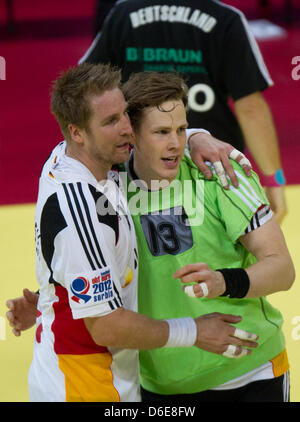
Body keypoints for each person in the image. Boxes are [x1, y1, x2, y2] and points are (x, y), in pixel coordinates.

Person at [7, 69, 294, 402]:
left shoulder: (218, 172)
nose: (175, 143)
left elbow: (283, 269)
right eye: (160, 132)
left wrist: (223, 281)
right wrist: (56, 304)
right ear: (134, 135)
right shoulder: (108, 189)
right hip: (160, 385)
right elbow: (95, 287)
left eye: (182, 129)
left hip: (248, 374)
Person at [80, 0, 287, 223]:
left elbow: (88, 91)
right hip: (210, 172)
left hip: (137, 174)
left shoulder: (123, 13)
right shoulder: (225, 18)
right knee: (223, 253)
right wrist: (274, 179)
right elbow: (250, 107)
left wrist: (89, 174)